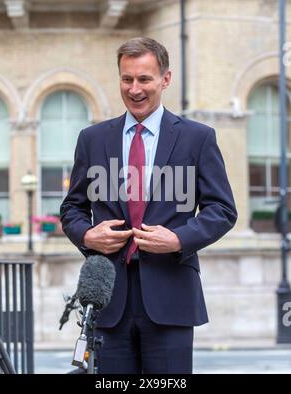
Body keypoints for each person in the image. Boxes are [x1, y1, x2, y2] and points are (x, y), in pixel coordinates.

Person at [60, 37, 237, 374]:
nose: (135, 89)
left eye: (144, 79)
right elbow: (73, 209)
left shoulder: (197, 138)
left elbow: (222, 210)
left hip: (172, 295)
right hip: (109, 299)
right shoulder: (92, 139)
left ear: (165, 79)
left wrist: (180, 239)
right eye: (127, 79)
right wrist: (86, 235)